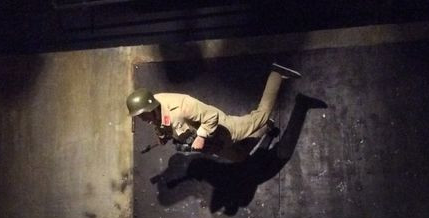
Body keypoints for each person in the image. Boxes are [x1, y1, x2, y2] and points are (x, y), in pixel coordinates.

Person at [127, 63, 301, 155]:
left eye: (143, 115)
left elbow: (211, 116)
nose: (143, 120)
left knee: (260, 116)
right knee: (239, 156)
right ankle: (267, 127)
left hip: (223, 129)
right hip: (212, 144)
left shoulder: (182, 106)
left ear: (151, 107)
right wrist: (162, 136)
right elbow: (161, 124)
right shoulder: (154, 112)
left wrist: (201, 136)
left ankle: (276, 76)